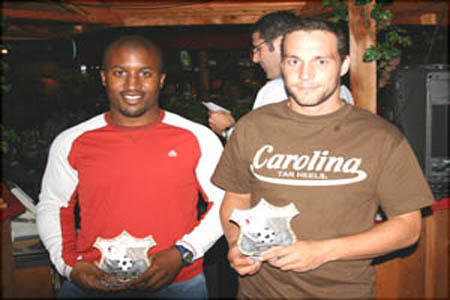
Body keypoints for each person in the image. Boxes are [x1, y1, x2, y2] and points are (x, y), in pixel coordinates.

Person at [211, 18, 435, 299]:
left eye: (320, 62)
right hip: (259, 293)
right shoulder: (252, 126)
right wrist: (236, 242)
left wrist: (322, 251)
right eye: (294, 61)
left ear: (342, 65)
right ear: (282, 65)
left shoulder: (381, 137)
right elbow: (237, 197)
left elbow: (408, 228)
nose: (305, 74)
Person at [36, 35, 224, 298]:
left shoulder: (198, 137)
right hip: (92, 278)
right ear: (103, 77)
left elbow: (224, 203)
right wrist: (68, 265)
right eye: (120, 72)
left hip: (180, 282)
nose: (132, 85)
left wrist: (183, 252)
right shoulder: (72, 141)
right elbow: (53, 205)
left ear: (161, 79)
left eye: (144, 73)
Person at [208, 11, 354, 139]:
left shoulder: (276, 89)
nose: (255, 58)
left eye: (258, 49)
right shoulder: (342, 90)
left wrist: (227, 130)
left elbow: (260, 151)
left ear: (280, 42)